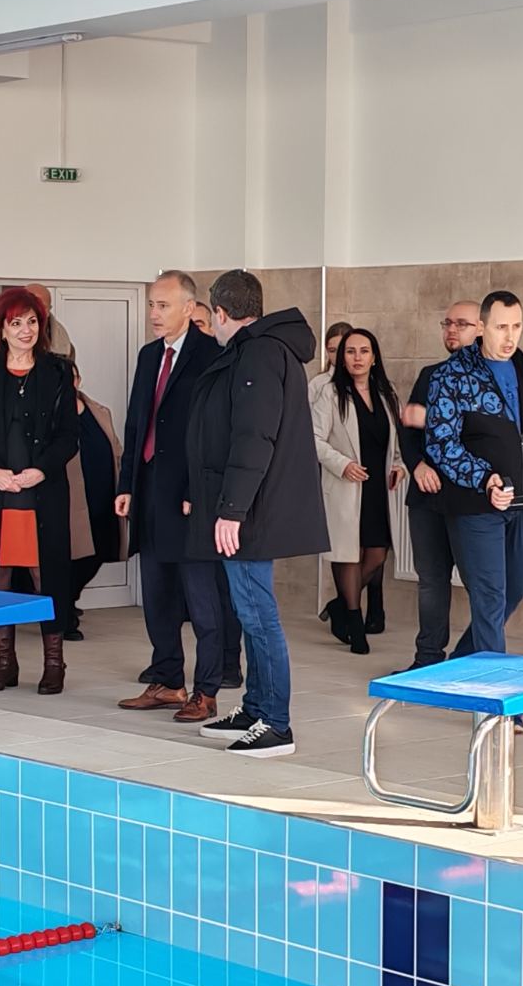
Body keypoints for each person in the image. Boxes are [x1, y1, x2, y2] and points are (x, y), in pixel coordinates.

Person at [185, 271, 328, 758]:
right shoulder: (263, 349)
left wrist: (232, 510)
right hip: (252, 506)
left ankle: (277, 725)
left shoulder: (260, 353)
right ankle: (255, 708)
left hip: (252, 510)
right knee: (250, 612)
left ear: (220, 312)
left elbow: (254, 436)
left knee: (258, 615)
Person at [424, 290, 523, 669]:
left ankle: (459, 664)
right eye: (501, 327)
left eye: (516, 326)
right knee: (489, 597)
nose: (510, 336)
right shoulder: (451, 375)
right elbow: (440, 442)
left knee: (513, 591)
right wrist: (485, 479)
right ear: (482, 327)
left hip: (521, 505)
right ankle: (494, 692)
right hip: (475, 506)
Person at [0, 287, 78, 695]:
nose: (26, 330)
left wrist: (41, 471)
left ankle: (54, 664)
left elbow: (69, 435)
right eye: (16, 323)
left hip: (40, 492)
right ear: (1, 329)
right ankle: (4, 662)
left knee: (48, 576)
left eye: (32, 322)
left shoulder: (57, 371)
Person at [115, 270, 226, 724]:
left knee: (201, 598)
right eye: (151, 305)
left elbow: (214, 435)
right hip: (149, 490)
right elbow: (135, 424)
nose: (154, 314)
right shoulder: (148, 356)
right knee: (157, 592)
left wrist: (196, 491)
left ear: (189, 308)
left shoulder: (211, 356)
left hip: (189, 497)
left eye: (163, 306)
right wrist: (126, 484)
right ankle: (167, 680)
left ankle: (207, 690)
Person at [395, 300, 481, 668]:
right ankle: (427, 659)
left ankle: (475, 658)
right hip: (427, 496)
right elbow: (407, 428)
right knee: (431, 579)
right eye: (447, 323)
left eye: (461, 323)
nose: (451, 330)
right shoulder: (430, 375)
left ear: (481, 328)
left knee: (482, 585)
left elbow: (485, 433)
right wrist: (416, 466)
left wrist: (430, 417)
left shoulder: (494, 378)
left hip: (471, 499)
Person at [311, 328, 404, 655]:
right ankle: (354, 620)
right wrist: (342, 464)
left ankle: (338, 605)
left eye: (364, 351)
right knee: (347, 554)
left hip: (378, 487)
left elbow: (397, 439)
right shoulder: (330, 393)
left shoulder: (387, 393)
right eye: (350, 352)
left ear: (374, 357)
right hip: (345, 485)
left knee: (377, 554)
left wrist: (399, 465)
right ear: (341, 358)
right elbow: (313, 438)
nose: (357, 358)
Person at [65, 366, 125, 641]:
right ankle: (64, 614)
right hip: (72, 501)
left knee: (100, 551)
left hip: (104, 497)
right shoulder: (51, 415)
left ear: (78, 380)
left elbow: (115, 448)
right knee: (72, 557)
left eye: (71, 378)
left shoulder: (98, 411)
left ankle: (68, 598)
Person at [24, 283, 78, 362]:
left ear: (48, 311)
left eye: (42, 306)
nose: (35, 311)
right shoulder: (5, 339)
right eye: (29, 306)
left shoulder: (64, 347)